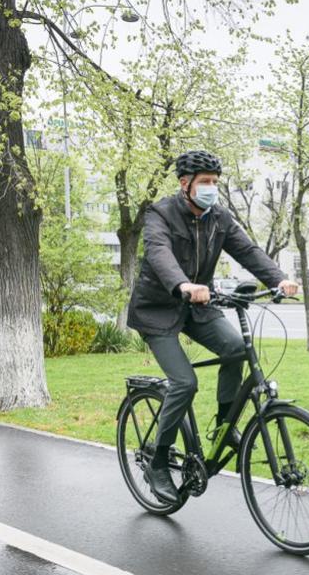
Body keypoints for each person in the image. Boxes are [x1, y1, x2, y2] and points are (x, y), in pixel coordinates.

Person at [126, 150, 299, 503]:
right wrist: (184, 285)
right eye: (205, 182)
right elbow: (159, 254)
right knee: (185, 382)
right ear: (185, 184)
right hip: (158, 310)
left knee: (236, 348)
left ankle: (224, 425)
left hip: (199, 308)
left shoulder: (219, 218)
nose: (211, 189)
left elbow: (248, 251)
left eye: (215, 182)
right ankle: (158, 461)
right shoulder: (160, 214)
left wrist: (279, 279)